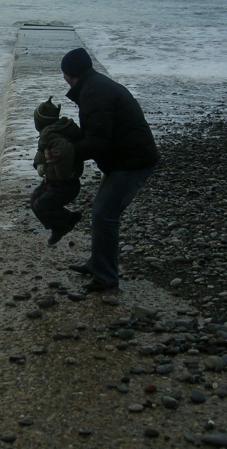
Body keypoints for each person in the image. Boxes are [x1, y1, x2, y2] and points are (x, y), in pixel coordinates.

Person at [57, 47, 159, 292]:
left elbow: (98, 142)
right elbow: (99, 134)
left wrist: (66, 151)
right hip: (124, 158)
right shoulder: (96, 85)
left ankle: (106, 277)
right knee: (101, 212)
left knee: (105, 215)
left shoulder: (94, 93)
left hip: (132, 161)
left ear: (68, 75)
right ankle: (97, 264)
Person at [30, 96, 84, 246]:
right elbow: (41, 151)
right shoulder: (49, 135)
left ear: (40, 122)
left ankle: (60, 227)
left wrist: (60, 173)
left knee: (40, 205)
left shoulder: (54, 136)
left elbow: (65, 152)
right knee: (33, 199)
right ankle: (68, 219)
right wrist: (39, 163)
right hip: (53, 181)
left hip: (65, 185)